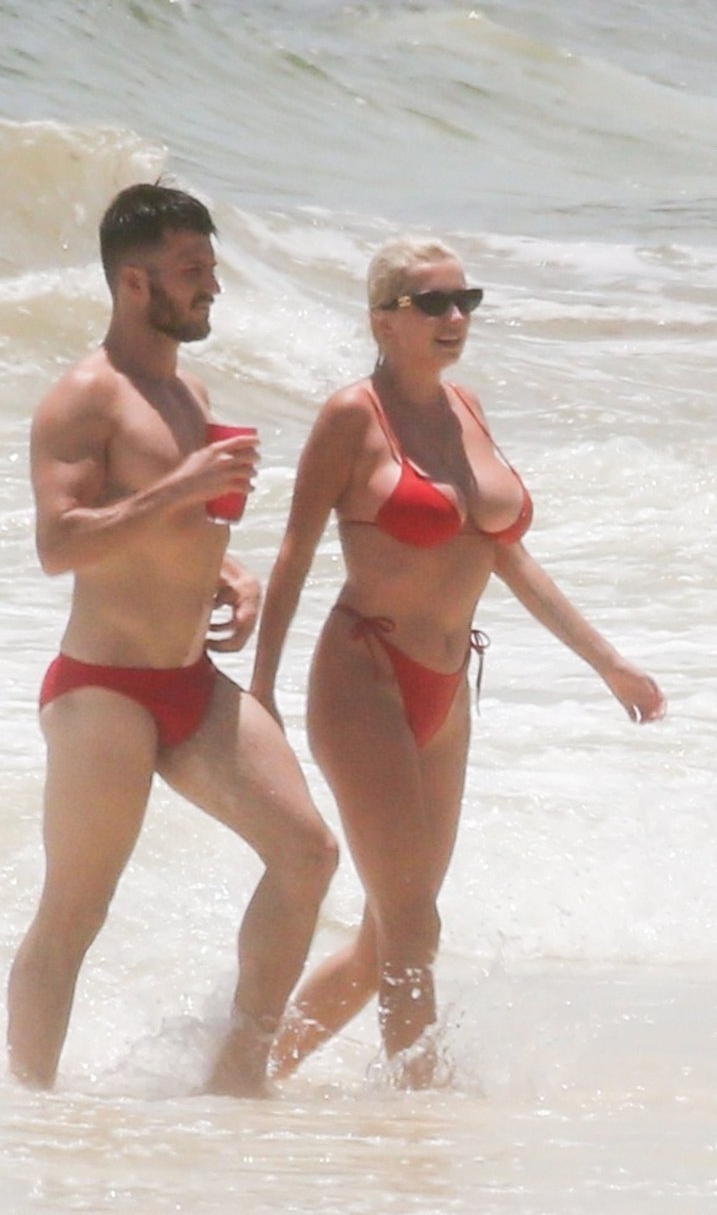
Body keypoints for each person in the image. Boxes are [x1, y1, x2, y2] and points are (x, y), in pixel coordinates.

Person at [250, 235, 666, 1089]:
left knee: (389, 935)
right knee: (414, 926)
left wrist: (608, 664)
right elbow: (293, 554)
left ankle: (250, 1071)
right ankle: (416, 1117)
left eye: (464, 301)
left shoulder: (466, 409)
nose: (454, 317)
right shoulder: (351, 416)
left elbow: (505, 553)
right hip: (364, 676)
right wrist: (261, 693)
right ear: (383, 320)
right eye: (432, 303)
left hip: (446, 689)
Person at [7, 182, 338, 1097]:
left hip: (189, 681)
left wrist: (230, 573)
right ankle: (29, 1111)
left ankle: (238, 1076)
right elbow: (58, 544)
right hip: (103, 691)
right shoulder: (85, 399)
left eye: (211, 268)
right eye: (192, 270)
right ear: (133, 282)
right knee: (76, 913)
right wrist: (181, 489)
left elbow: (173, 532)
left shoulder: (186, 391)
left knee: (307, 855)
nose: (212, 287)